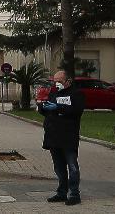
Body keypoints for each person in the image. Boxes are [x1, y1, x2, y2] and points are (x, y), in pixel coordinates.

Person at [40, 69, 86, 205]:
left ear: (68, 81)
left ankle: (74, 194)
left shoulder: (76, 94)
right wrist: (42, 108)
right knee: (59, 167)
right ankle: (61, 192)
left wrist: (58, 108)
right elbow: (49, 111)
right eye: (55, 82)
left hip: (68, 136)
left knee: (72, 166)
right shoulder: (54, 93)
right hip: (54, 136)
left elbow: (76, 111)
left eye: (59, 82)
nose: (57, 84)